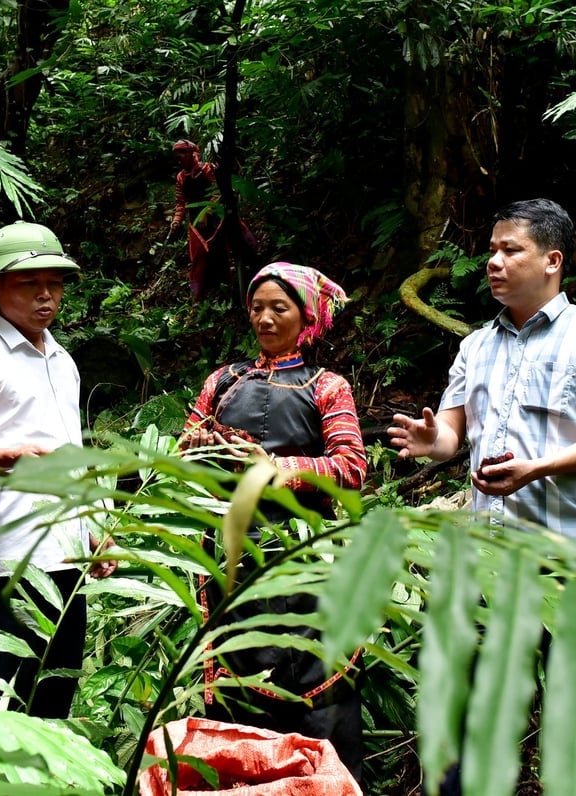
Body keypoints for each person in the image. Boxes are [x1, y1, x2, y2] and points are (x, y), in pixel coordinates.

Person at [178, 262, 367, 781]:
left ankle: (326, 784)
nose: (264, 318)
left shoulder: (328, 386)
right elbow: (180, 456)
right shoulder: (222, 382)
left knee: (318, 677)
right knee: (238, 678)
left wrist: (278, 468)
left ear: (305, 316)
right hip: (231, 558)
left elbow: (351, 466)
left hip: (308, 555)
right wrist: (198, 448)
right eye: (257, 307)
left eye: (278, 308)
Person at [388, 198, 576, 554]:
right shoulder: (476, 345)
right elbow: (450, 435)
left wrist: (537, 468)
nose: (494, 262)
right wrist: (432, 440)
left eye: (510, 250)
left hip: (574, 552)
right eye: (492, 251)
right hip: (490, 553)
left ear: (552, 261)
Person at [0, 221, 115, 719]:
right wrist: (13, 456)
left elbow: (71, 451)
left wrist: (95, 526)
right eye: (29, 283)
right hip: (6, 559)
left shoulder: (61, 359)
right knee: (3, 703)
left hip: (65, 554)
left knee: (55, 695)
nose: (45, 295)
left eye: (54, 283)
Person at [169, 139, 258, 299]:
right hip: (196, 223)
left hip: (218, 216)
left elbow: (219, 191)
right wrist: (176, 220)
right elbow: (181, 202)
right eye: (176, 157)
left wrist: (207, 212)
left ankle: (250, 276)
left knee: (231, 245)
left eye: (181, 155)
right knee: (201, 257)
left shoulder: (208, 169)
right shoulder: (181, 177)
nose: (178, 160)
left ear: (190, 153)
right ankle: (210, 294)